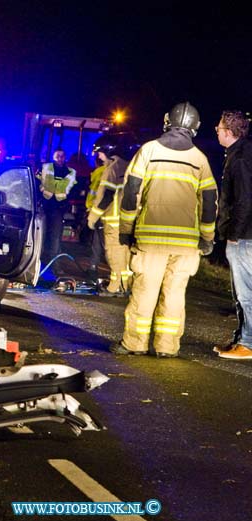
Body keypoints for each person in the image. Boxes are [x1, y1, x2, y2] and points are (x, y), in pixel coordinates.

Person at [110, 102, 217, 357]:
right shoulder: (199, 159)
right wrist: (207, 237)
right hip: (186, 244)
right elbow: (210, 203)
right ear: (196, 127)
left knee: (145, 292)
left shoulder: (148, 151)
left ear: (166, 121)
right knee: (175, 294)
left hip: (150, 239)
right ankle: (167, 348)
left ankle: (134, 344)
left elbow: (130, 194)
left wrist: (126, 228)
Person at [214, 110, 252, 359]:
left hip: (244, 237)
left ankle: (247, 343)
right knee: (243, 293)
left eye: (218, 128)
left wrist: (234, 234)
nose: (216, 131)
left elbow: (244, 199)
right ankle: (242, 338)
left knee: (245, 292)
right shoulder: (241, 153)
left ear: (228, 132)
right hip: (245, 234)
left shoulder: (240, 158)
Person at [87, 135, 135, 296]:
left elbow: (106, 196)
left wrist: (92, 217)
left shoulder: (111, 170)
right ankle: (126, 285)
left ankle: (115, 286)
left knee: (114, 252)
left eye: (100, 153)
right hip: (129, 219)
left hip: (113, 220)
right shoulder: (129, 166)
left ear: (107, 151)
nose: (99, 156)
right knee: (125, 252)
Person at [37, 148, 77, 273]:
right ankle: (38, 261)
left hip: (58, 209)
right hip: (44, 206)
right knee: (41, 235)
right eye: (57, 156)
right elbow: (36, 182)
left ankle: (54, 264)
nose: (60, 158)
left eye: (62, 156)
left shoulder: (70, 172)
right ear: (53, 157)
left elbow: (73, 190)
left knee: (55, 238)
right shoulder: (45, 168)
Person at [85, 150, 107, 276]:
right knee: (99, 241)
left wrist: (91, 211)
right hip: (105, 212)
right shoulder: (110, 170)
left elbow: (94, 194)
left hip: (99, 211)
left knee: (100, 242)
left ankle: (93, 267)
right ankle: (93, 267)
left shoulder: (100, 173)